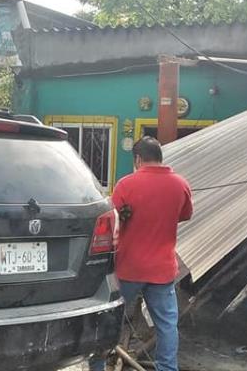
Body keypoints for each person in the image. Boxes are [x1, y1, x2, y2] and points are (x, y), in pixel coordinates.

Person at [90, 136, 193, 371]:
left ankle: (97, 366)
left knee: (109, 319)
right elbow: (185, 214)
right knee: (167, 325)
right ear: (160, 157)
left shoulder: (126, 184)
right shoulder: (180, 184)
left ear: (137, 159)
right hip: (163, 270)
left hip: (128, 269)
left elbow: (111, 220)